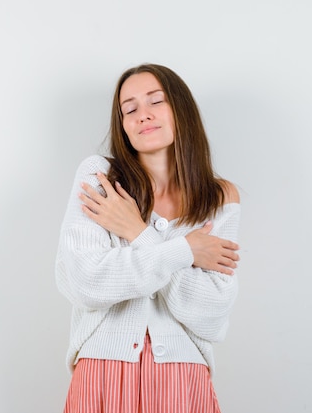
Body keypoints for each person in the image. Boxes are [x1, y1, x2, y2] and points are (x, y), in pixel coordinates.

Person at [55, 63, 241, 413]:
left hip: (183, 379)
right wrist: (186, 251)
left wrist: (138, 234)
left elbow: (212, 315)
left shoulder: (219, 198)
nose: (143, 115)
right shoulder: (100, 178)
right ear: (123, 124)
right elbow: (86, 282)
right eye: (130, 108)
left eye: (156, 101)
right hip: (102, 375)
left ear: (181, 109)